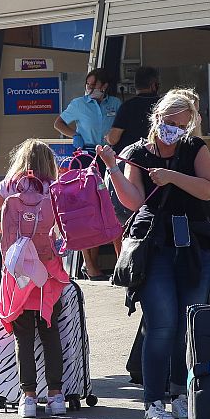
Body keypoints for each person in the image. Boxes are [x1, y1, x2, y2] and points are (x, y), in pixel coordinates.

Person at [101, 89, 210, 419]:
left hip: (193, 247)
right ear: (158, 119)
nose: (175, 131)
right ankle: (154, 401)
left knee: (186, 327)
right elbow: (134, 201)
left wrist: (172, 177)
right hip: (154, 247)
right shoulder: (138, 153)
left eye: (182, 126)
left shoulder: (195, 149)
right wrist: (113, 168)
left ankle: (181, 394)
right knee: (161, 326)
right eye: (170, 124)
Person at [0, 139, 71, 418]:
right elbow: (64, 227)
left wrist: (12, 237)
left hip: (17, 271)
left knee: (23, 337)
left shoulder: (7, 186)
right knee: (50, 330)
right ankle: (56, 396)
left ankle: (28, 397)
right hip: (48, 271)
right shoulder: (53, 188)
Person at [55, 68, 122, 280]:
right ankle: (89, 264)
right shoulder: (78, 104)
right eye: (88, 85)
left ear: (105, 86)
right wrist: (75, 135)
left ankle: (118, 261)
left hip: (108, 155)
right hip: (86, 155)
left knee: (110, 205)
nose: (91, 89)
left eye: (95, 85)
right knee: (86, 205)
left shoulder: (115, 104)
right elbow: (58, 122)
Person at [106, 66, 160, 155]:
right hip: (155, 155)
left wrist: (107, 137)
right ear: (154, 85)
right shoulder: (163, 105)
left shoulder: (128, 106)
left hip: (129, 157)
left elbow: (113, 139)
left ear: (135, 85)